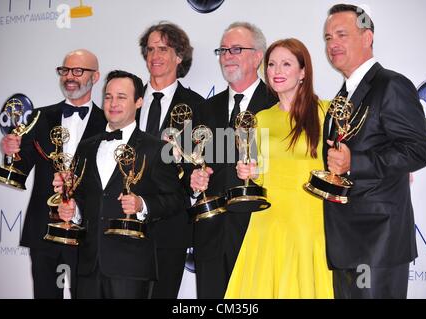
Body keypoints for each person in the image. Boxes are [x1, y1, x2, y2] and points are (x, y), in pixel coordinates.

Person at [322, 4, 426, 298]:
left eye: (341, 34)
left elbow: (418, 150)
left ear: (367, 37)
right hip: (345, 238)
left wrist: (354, 163)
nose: (333, 44)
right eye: (328, 38)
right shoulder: (341, 97)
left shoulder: (391, 85)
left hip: (377, 240)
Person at [54, 70, 186, 299]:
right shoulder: (86, 147)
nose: (113, 103)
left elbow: (177, 199)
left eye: (122, 97)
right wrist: (73, 210)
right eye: (108, 97)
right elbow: (84, 196)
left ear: (139, 101)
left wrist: (142, 204)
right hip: (87, 266)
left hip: (131, 269)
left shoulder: (155, 148)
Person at [225, 38, 334, 298]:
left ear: (303, 72)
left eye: (286, 64)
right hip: (268, 221)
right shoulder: (260, 118)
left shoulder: (326, 111)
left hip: (310, 222)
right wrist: (248, 173)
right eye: (272, 64)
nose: (276, 71)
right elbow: (257, 170)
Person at [0, 49, 106, 298]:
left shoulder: (107, 123)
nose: (70, 76)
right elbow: (21, 168)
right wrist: (11, 152)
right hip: (43, 231)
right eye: (65, 70)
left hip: (86, 233)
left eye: (78, 71)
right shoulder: (39, 117)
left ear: (96, 76)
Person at [189, 22, 277, 298]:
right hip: (211, 236)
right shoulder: (204, 109)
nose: (227, 55)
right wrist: (193, 182)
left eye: (236, 49)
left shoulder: (278, 104)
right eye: (223, 50)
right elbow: (190, 164)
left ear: (258, 56)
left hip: (260, 232)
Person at [136, 21, 205, 298]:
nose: (155, 56)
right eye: (150, 49)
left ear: (179, 56)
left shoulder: (198, 106)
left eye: (163, 49)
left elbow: (200, 166)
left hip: (171, 226)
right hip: (125, 221)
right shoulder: (128, 98)